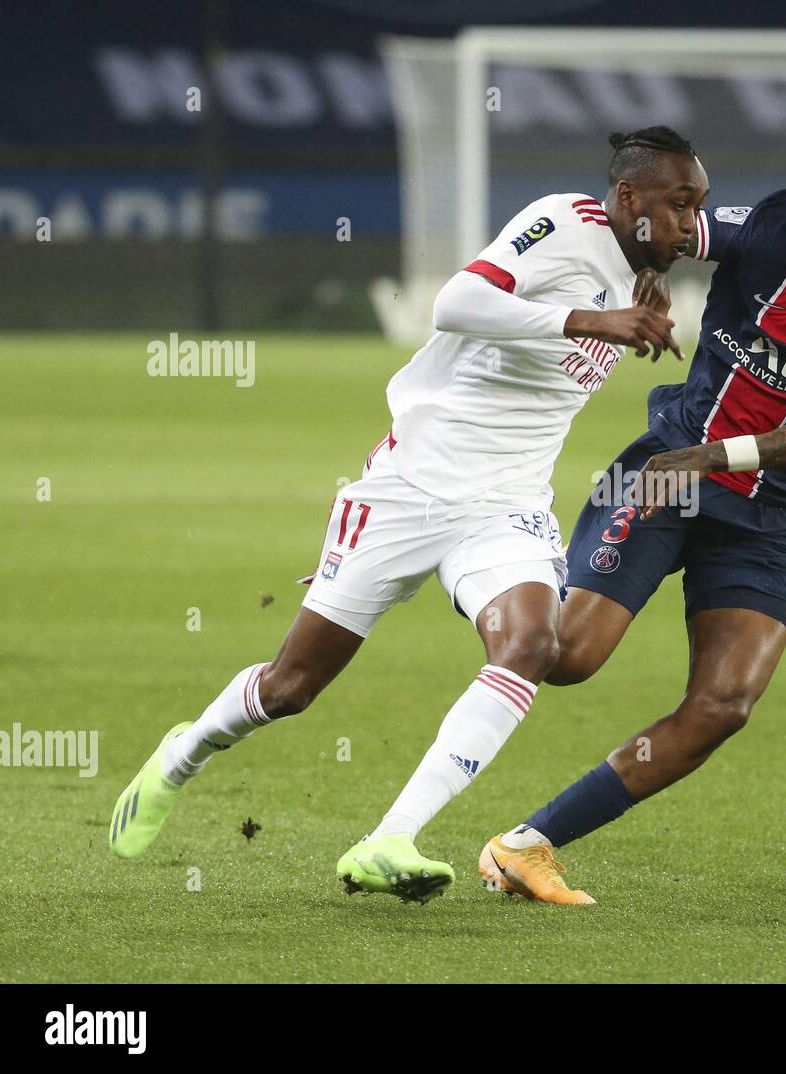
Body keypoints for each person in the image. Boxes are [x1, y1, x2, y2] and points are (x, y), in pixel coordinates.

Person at [109, 127, 708, 904]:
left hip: (507, 503)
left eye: (699, 206)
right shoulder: (565, 223)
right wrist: (586, 322)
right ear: (628, 199)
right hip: (409, 486)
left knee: (529, 642)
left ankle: (391, 837)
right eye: (679, 204)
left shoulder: (641, 277)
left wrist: (628, 303)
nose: (692, 223)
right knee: (292, 687)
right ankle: (182, 754)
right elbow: (453, 303)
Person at [478, 124, 786, 905]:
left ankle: (526, 846)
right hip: (669, 471)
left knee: (724, 704)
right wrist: (643, 274)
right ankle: (475, 559)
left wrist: (720, 458)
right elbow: (654, 224)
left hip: (769, 508)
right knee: (569, 658)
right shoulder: (764, 227)